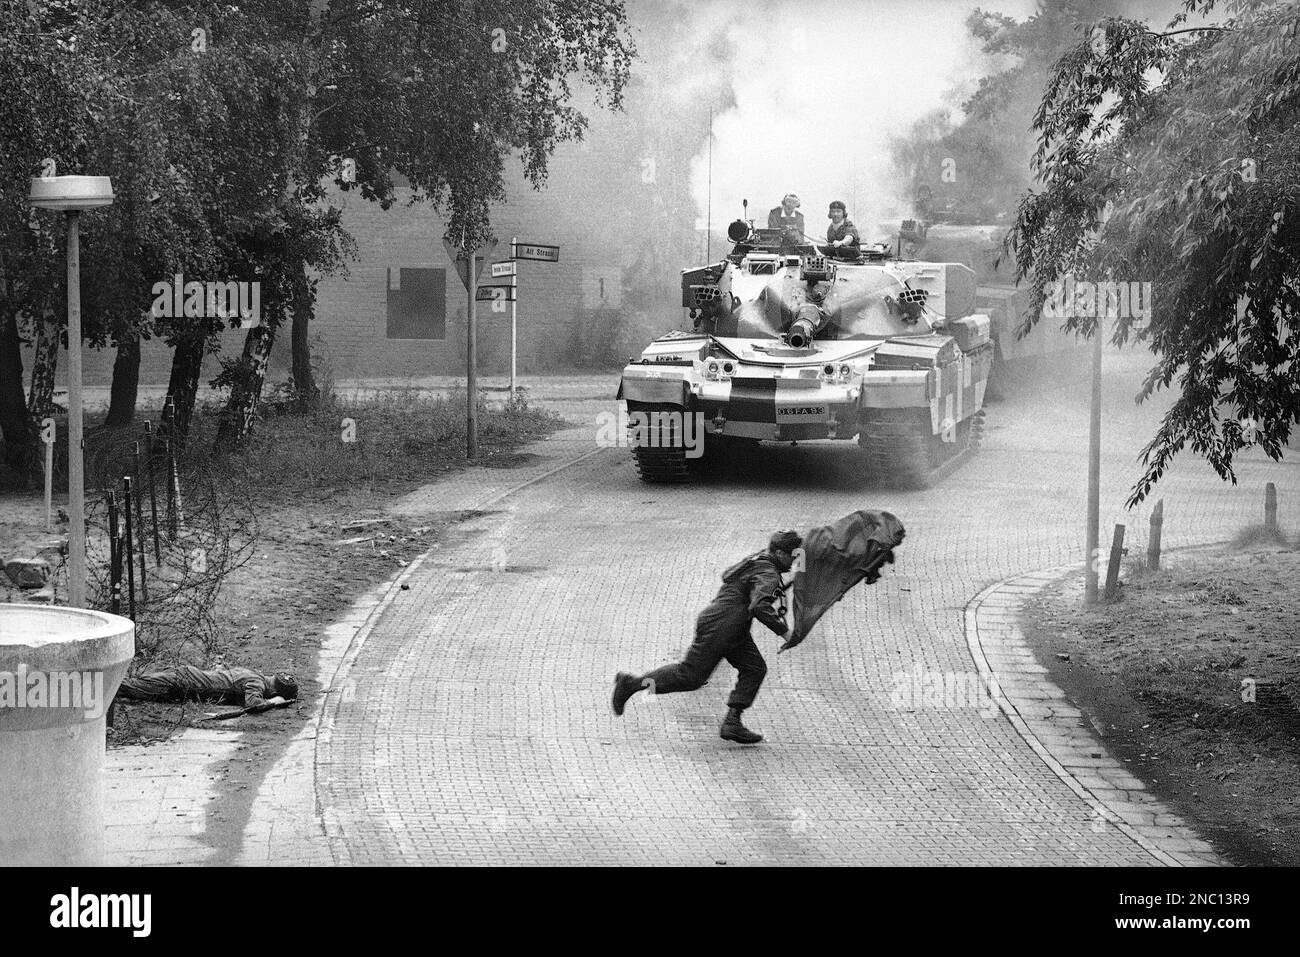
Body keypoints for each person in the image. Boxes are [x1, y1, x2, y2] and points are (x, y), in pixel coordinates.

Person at [611, 530, 803, 744]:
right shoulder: (769, 572)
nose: (795, 560)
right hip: (723, 626)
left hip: (730, 625)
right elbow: (759, 605)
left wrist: (796, 576)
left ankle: (732, 723)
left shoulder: (759, 560)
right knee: (689, 677)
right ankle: (632, 684)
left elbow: (750, 586)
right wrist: (785, 632)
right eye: (793, 556)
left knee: (754, 668)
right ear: (779, 553)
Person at [116, 665, 299, 712]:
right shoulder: (257, 684)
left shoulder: (254, 674)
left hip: (185, 677)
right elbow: (252, 704)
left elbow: (242, 699)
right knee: (125, 687)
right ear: (275, 691)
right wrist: (273, 703)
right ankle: (91, 683)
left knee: (130, 685)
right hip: (181, 683)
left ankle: (93, 682)